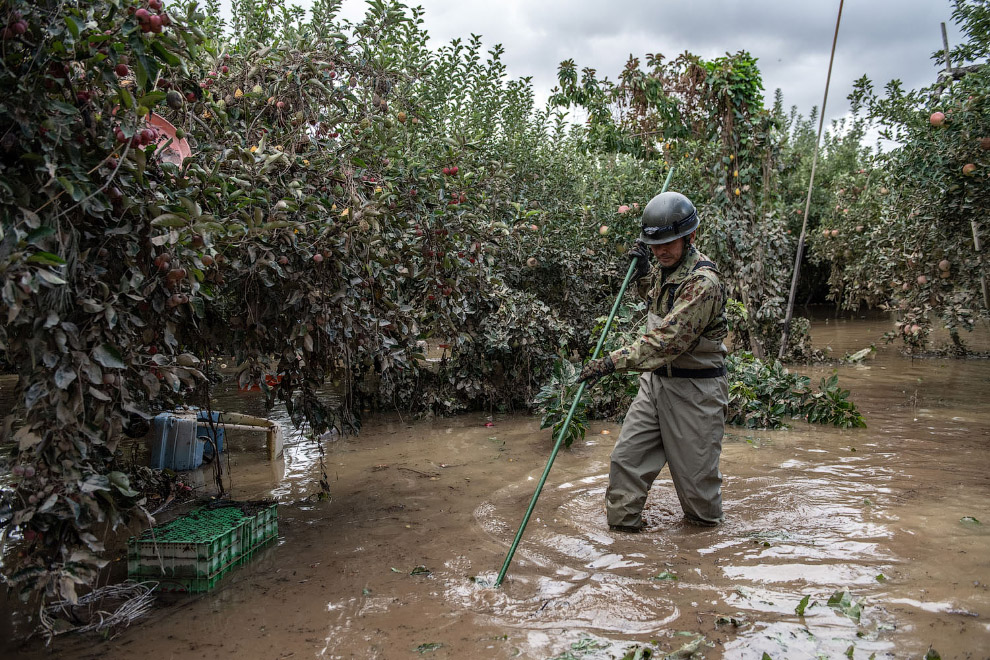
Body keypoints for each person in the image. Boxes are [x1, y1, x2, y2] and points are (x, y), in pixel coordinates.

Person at [577, 191, 729, 531]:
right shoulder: (663, 266)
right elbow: (657, 303)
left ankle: (702, 557)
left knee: (697, 494)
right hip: (655, 384)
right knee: (625, 463)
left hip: (695, 392)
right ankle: (624, 543)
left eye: (669, 243)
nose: (661, 251)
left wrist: (609, 362)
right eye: (654, 245)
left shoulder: (704, 283)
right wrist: (644, 274)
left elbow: (666, 341)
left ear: (690, 237)